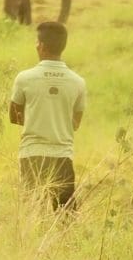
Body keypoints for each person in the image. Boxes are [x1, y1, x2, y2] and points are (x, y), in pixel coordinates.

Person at [9, 21, 86, 211]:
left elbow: (14, 116)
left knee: (32, 213)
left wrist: (36, 120)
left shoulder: (24, 78)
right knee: (64, 217)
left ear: (41, 46)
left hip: (32, 154)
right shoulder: (78, 82)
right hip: (62, 156)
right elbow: (76, 122)